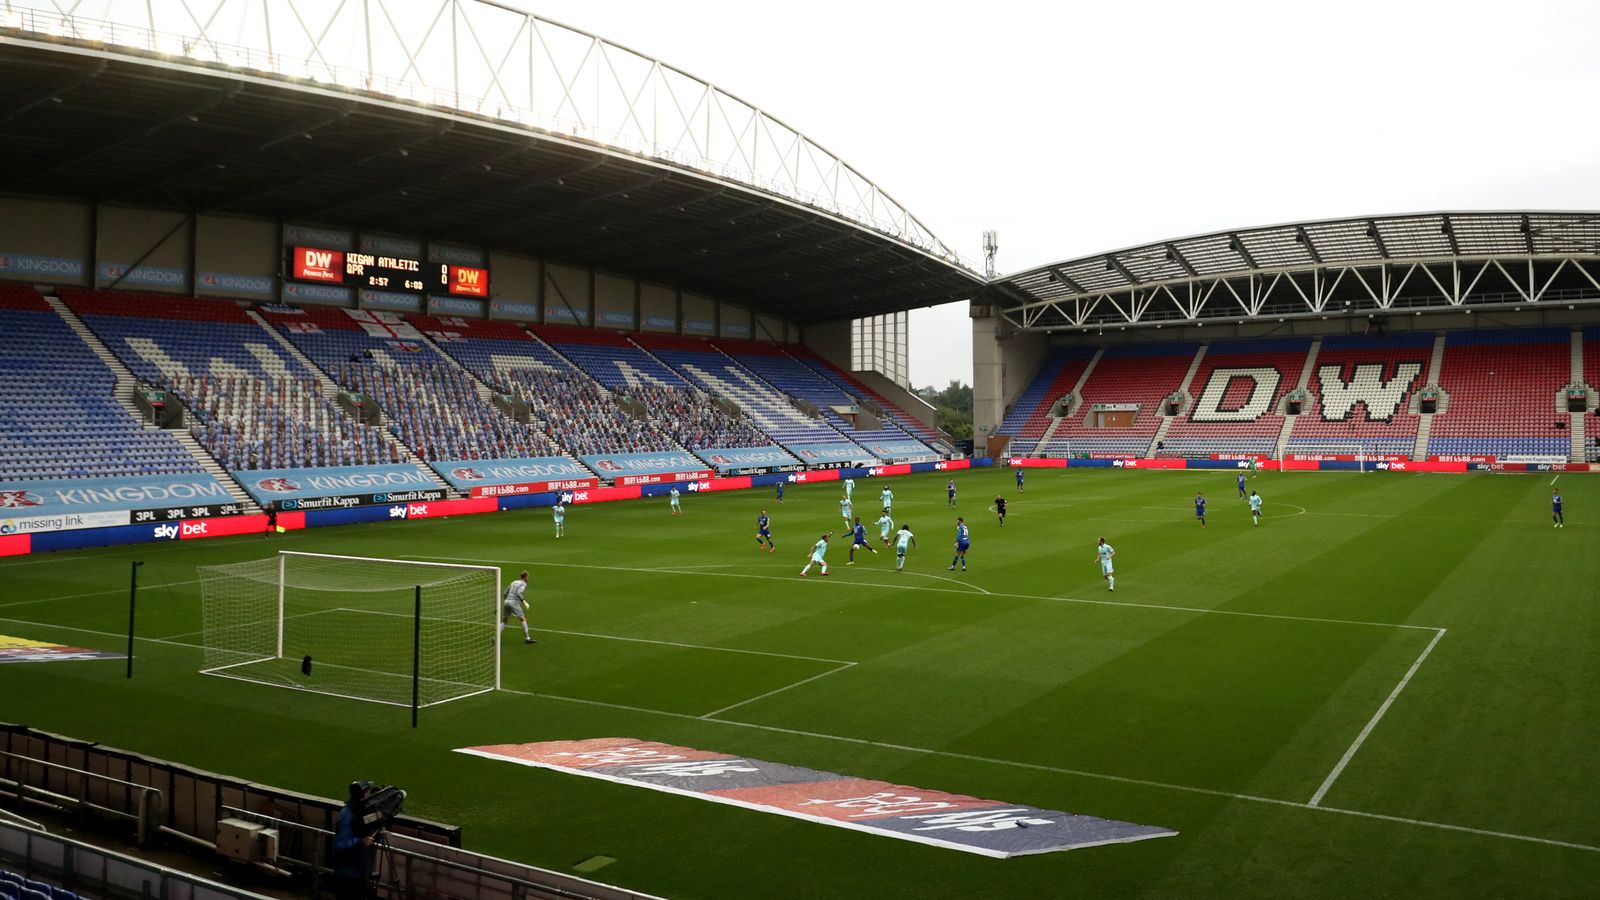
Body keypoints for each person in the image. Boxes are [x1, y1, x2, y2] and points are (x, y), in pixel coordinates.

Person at [333, 782, 378, 900]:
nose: (370, 796)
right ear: (363, 794)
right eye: (368, 793)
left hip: (357, 870)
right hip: (349, 873)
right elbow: (341, 843)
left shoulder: (357, 811)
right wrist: (361, 841)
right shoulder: (348, 814)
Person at [500, 570, 535, 644]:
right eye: (528, 577)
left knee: (504, 621)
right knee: (522, 619)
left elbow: (505, 593)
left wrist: (507, 602)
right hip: (514, 603)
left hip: (506, 602)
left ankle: (495, 637)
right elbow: (519, 592)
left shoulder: (514, 582)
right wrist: (524, 601)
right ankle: (527, 638)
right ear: (526, 577)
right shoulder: (523, 584)